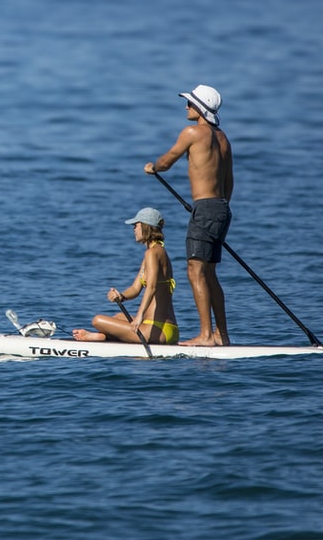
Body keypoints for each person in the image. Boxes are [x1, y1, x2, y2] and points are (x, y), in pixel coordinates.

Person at [145, 84, 233, 346]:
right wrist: (219, 209)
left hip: (205, 209)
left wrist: (153, 166)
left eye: (190, 104)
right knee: (210, 273)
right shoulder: (223, 138)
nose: (186, 107)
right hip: (222, 208)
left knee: (195, 271)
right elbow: (229, 180)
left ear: (201, 109)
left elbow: (168, 160)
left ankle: (206, 335)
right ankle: (221, 335)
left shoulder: (192, 132)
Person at [71, 207, 178, 344]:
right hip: (165, 328)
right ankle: (102, 336)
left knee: (97, 320)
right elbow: (135, 288)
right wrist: (120, 296)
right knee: (119, 317)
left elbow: (151, 287)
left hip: (157, 330)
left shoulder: (152, 254)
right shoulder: (156, 251)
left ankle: (100, 336)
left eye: (136, 225)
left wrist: (139, 317)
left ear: (146, 226)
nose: (134, 229)